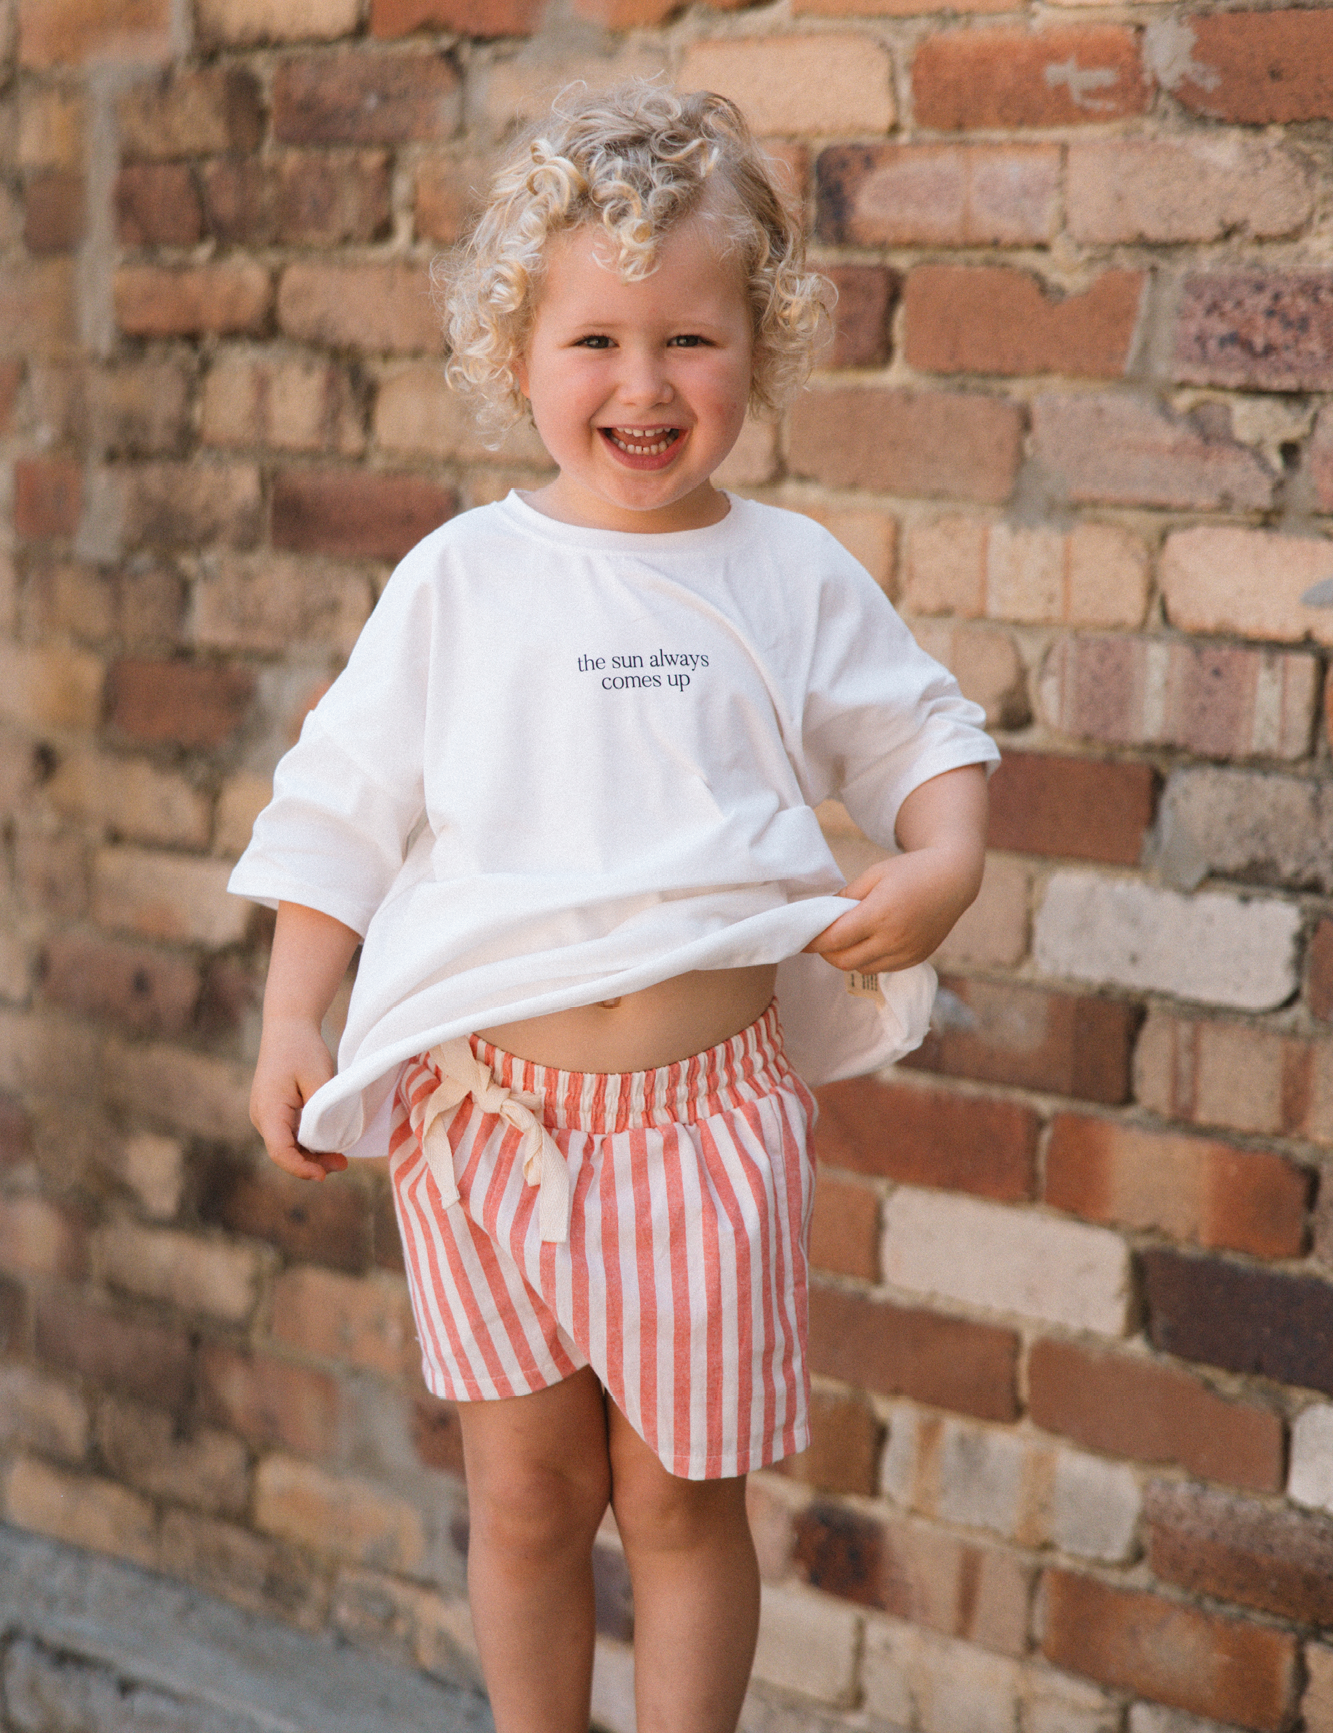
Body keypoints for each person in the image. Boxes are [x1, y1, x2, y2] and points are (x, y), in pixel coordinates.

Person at [232, 83, 997, 1733]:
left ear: (759, 350)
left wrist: (943, 865)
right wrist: (297, 1013)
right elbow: (340, 806)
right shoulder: (462, 580)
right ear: (516, 354)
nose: (643, 385)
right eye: (594, 342)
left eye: (690, 342)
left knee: (677, 1503)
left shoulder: (788, 574)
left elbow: (926, 740)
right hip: (484, 1125)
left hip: (706, 1135)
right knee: (526, 1497)